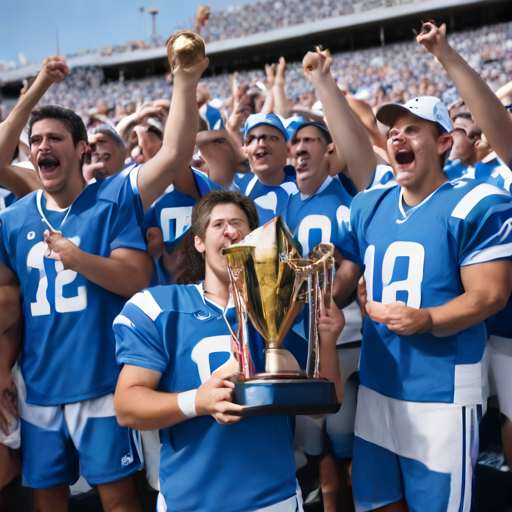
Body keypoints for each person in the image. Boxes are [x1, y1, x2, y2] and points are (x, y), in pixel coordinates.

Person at [0, 49, 209, 512]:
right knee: (46, 498)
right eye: (34, 140)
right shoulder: (15, 218)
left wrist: (185, 80)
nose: (41, 147)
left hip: (101, 381)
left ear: (81, 149)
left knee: (117, 500)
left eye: (55, 137)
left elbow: (173, 156)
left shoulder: (112, 197)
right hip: (39, 383)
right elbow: (9, 306)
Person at [311, 44, 512, 509]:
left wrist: (425, 318)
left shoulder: (473, 201)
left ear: (443, 142)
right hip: (381, 382)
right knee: (376, 502)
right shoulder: (375, 201)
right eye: (393, 131)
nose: (398, 137)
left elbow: (492, 294)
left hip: (440, 389)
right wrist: (324, 81)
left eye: (413, 130)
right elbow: (363, 161)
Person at [113, 190, 345, 512]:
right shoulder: (162, 308)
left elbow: (324, 405)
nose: (230, 231)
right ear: (198, 242)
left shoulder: (277, 309)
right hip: (190, 502)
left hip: (272, 499)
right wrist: (197, 401)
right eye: (218, 224)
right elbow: (126, 406)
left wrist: (328, 341)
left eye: (239, 225)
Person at [417, 21, 512, 469]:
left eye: (465, 126)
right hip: (458, 325)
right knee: (462, 430)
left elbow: (502, 131)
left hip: (506, 321)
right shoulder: (433, 185)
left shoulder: (500, 174)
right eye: (450, 127)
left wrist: (447, 56)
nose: (457, 133)